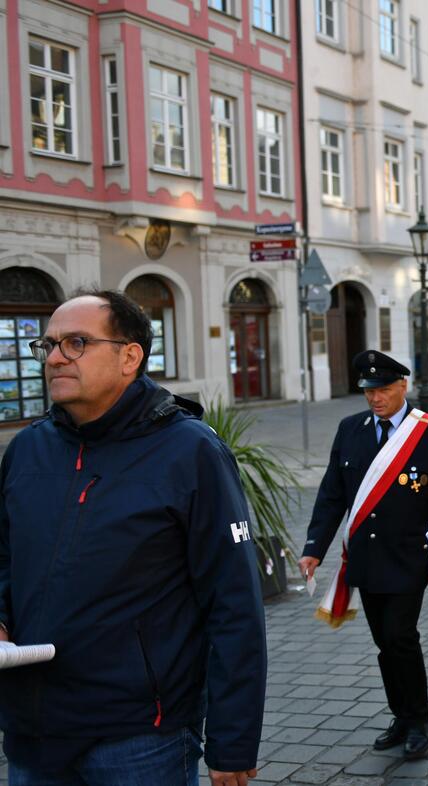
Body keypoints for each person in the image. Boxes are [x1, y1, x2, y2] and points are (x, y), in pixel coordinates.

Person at [0, 290, 266, 786]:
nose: (55, 357)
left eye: (77, 342)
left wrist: (234, 740)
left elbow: (234, 604)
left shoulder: (190, 452)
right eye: (50, 344)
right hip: (33, 730)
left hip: (140, 738)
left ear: (130, 356)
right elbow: (3, 556)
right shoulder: (28, 449)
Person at [299, 350, 428, 759]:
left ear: (403, 386)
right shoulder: (350, 429)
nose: (375, 398)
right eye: (369, 390)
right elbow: (332, 494)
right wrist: (314, 548)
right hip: (366, 559)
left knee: (400, 636)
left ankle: (421, 717)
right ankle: (401, 715)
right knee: (384, 643)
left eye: (384, 389)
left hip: (408, 556)